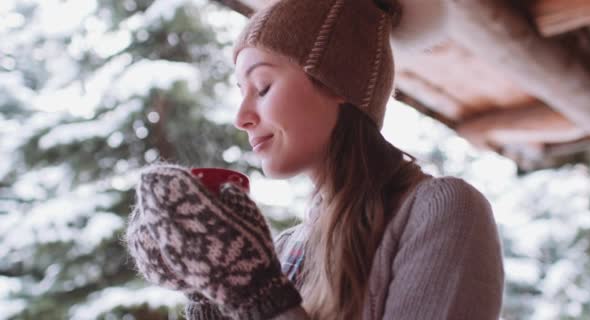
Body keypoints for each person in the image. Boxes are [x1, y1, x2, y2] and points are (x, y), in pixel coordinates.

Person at [124, 0, 505, 319]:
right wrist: (204, 290)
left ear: (339, 82)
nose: (241, 116)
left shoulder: (445, 211)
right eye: (241, 91)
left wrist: (260, 299)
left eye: (262, 86)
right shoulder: (287, 250)